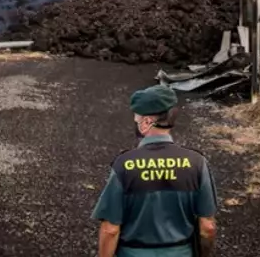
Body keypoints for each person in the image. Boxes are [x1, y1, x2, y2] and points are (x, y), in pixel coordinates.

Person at [91, 84, 217, 257]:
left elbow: (110, 229)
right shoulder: (197, 163)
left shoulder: (124, 164)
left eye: (137, 119)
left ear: (147, 122)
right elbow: (207, 227)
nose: (135, 123)